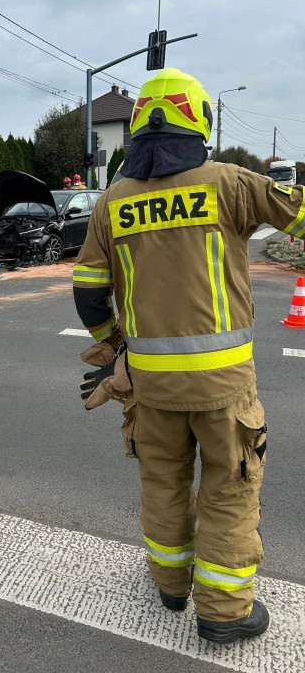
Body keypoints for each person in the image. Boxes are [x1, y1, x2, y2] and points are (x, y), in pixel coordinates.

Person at [72, 67, 305, 644]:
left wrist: (116, 343)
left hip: (148, 386)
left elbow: (86, 291)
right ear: (196, 118)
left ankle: (171, 588)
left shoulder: (113, 201)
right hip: (224, 388)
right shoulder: (231, 183)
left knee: (163, 483)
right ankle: (224, 614)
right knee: (229, 489)